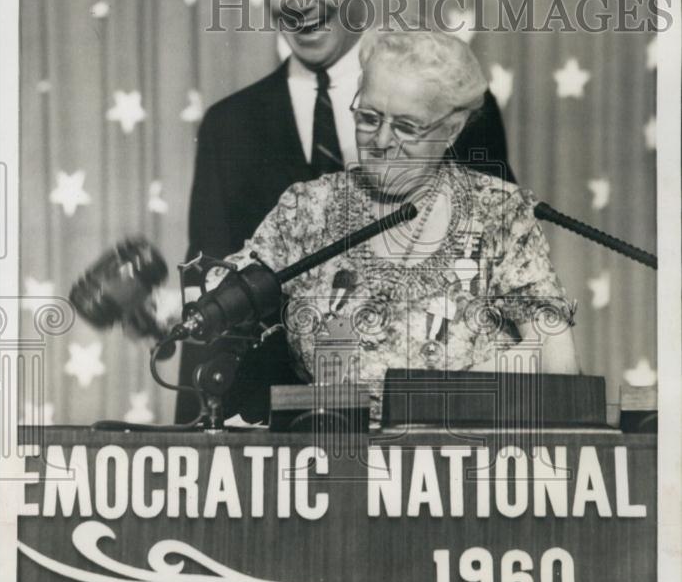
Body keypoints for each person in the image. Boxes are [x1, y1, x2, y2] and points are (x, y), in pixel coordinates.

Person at [178, 0, 513, 419]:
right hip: (270, 443)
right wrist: (199, 446)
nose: (301, 3)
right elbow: (213, 306)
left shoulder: (456, 107)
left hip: (430, 433)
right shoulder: (229, 127)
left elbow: (502, 274)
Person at [206, 29, 578, 421]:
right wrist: (159, 305)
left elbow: (559, 363)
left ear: (451, 129)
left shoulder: (498, 214)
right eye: (369, 118)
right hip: (334, 461)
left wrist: (424, 396)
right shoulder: (307, 209)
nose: (381, 140)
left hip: (468, 463)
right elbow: (221, 294)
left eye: (406, 126)